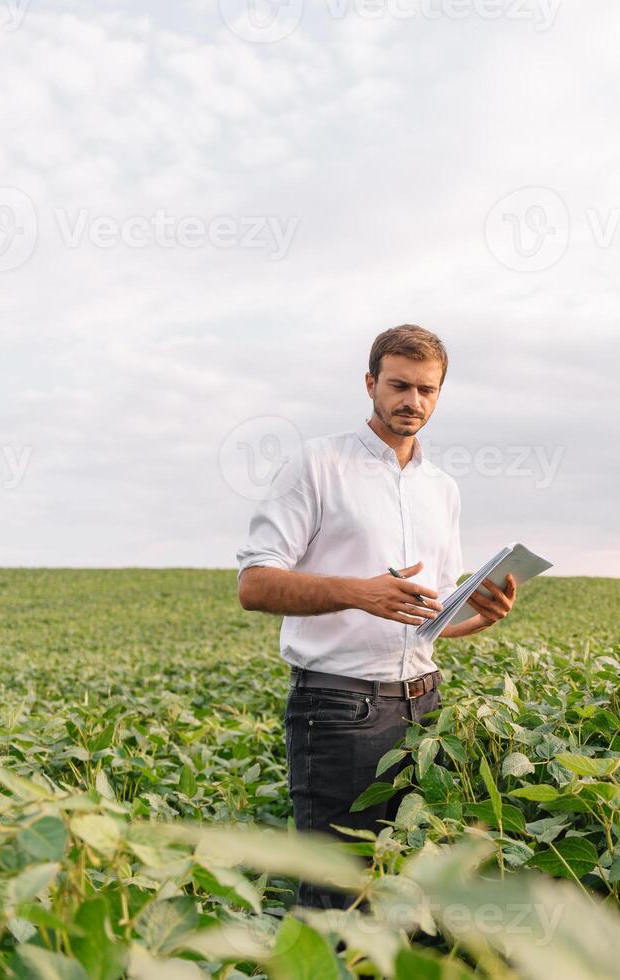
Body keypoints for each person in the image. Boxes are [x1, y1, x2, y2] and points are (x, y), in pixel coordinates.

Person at [235, 324, 517, 909]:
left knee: (405, 893)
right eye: (399, 385)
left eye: (426, 390)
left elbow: (424, 619)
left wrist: (477, 617)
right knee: (338, 893)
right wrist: (358, 592)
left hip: (425, 704)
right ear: (370, 384)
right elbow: (255, 584)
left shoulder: (443, 489)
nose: (411, 401)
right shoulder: (315, 465)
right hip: (339, 709)